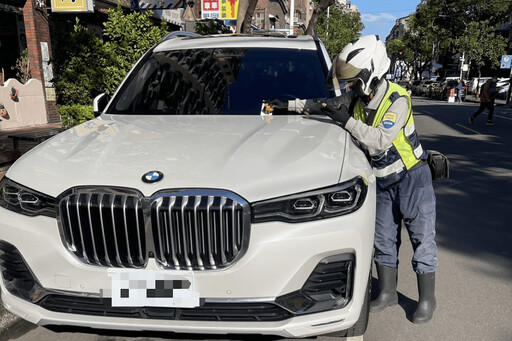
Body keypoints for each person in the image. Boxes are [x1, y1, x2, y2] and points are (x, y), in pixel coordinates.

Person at [268, 35, 438, 324]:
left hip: (412, 179)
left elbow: (381, 140)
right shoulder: (358, 97)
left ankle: (427, 299)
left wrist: (345, 120)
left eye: (354, 78)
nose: (350, 85)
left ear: (371, 72)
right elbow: (323, 104)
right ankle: (387, 292)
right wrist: (286, 105)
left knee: (421, 239)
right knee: (384, 239)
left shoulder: (397, 99)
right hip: (382, 181)